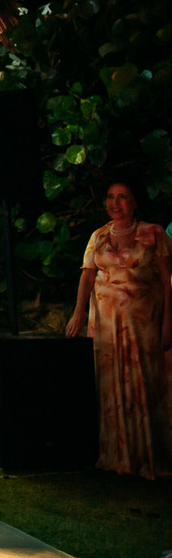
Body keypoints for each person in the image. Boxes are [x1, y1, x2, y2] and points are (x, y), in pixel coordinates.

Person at [65, 178, 172, 479]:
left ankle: (148, 457)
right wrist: (77, 313)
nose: (115, 203)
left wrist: (168, 322)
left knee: (145, 386)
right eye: (111, 197)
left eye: (123, 197)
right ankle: (116, 455)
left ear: (135, 202)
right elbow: (87, 277)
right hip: (106, 327)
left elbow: (167, 281)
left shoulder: (154, 234)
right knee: (111, 387)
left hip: (143, 326)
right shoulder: (98, 236)